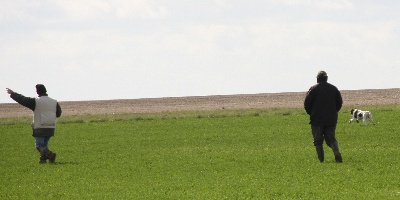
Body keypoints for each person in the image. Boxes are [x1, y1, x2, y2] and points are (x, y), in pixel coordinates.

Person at [6, 84, 62, 164]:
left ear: (37, 91)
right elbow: (59, 114)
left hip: (40, 126)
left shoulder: (36, 101)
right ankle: (42, 161)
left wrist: (13, 93)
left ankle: (50, 154)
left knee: (38, 145)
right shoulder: (54, 102)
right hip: (51, 126)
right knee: (44, 145)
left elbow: (22, 99)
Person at [304, 71, 343, 163]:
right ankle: (336, 152)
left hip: (316, 119)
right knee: (331, 138)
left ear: (317, 79)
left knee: (318, 141)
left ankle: (321, 160)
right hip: (331, 118)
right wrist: (334, 112)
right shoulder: (334, 89)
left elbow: (307, 104)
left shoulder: (313, 89)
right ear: (326, 78)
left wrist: (312, 113)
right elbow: (339, 103)